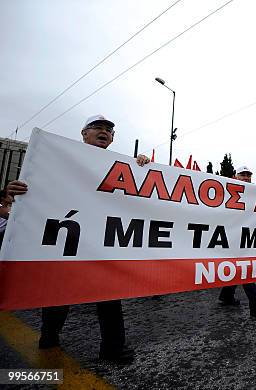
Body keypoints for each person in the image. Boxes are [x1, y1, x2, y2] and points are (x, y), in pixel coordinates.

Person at [6, 114, 151, 364]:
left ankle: (113, 348)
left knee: (108, 294)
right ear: (84, 133)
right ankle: (49, 335)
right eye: (97, 127)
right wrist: (16, 188)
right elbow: (35, 185)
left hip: (102, 242)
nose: (103, 131)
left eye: (109, 129)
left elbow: (143, 190)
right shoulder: (58, 159)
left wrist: (143, 165)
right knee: (58, 293)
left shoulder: (122, 166)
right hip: (66, 237)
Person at [218, 166, 256, 319]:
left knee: (239, 267)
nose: (246, 177)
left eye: (248, 175)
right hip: (229, 235)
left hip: (243, 237)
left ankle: (226, 295)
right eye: (242, 174)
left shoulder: (253, 193)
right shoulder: (225, 188)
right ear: (235, 176)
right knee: (244, 268)